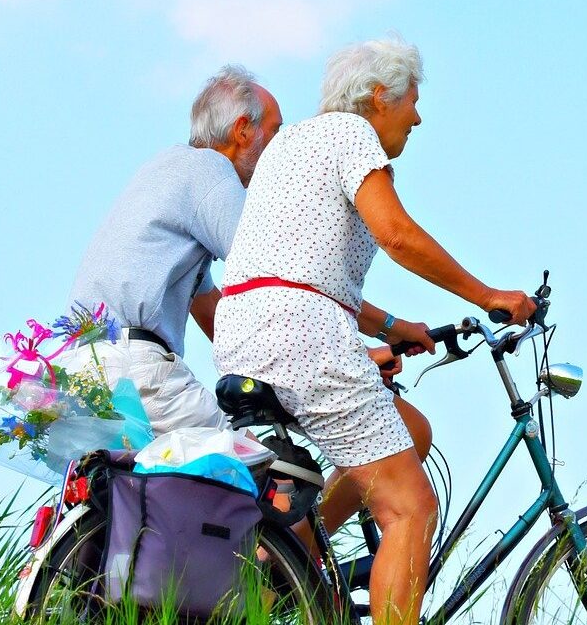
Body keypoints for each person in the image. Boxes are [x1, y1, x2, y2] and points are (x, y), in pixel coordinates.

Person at [213, 36, 537, 625]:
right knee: (410, 508)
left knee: (409, 430)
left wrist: (396, 326)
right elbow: (395, 234)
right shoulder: (351, 134)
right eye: (413, 99)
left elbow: (303, 269)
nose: (417, 116)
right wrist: (489, 295)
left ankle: (290, 567)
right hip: (300, 334)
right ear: (379, 95)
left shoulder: (291, 144)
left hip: (247, 331)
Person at [66, 65, 283, 437]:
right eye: (276, 132)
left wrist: (275, 370)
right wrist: (342, 358)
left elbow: (207, 305)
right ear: (243, 129)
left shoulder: (166, 167)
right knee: (260, 472)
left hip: (82, 368)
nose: (279, 149)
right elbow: (275, 272)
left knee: (144, 488)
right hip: (136, 369)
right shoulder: (211, 170)